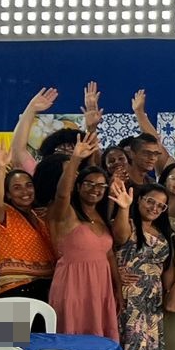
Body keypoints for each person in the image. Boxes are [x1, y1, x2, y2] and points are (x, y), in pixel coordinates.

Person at [109, 179, 174, 350]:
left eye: (161, 205)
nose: (155, 208)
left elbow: (166, 267)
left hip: (153, 303)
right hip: (132, 301)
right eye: (150, 201)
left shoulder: (163, 231)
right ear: (138, 200)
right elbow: (120, 237)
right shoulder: (128, 224)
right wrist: (124, 207)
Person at [47, 133, 119, 339]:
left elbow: (109, 255)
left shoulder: (102, 216)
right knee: (70, 341)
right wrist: (76, 159)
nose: (95, 189)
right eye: (89, 183)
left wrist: (118, 287)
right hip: (73, 286)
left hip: (100, 287)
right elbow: (62, 193)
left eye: (101, 186)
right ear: (78, 187)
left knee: (99, 341)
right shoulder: (66, 212)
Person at [0, 142, 56, 301]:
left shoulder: (41, 218)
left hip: (47, 288)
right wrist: (0, 168)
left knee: (47, 327)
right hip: (13, 289)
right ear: (8, 194)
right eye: (17, 187)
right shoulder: (3, 213)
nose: (25, 191)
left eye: (29, 185)